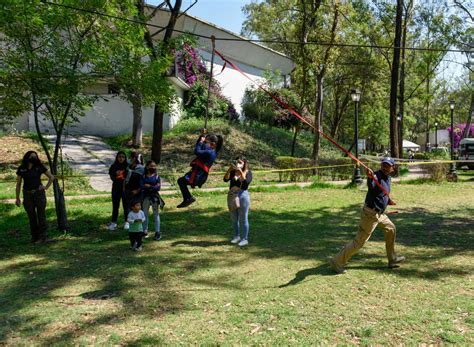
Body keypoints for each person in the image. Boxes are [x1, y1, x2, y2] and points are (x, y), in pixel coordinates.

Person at [330, 157, 406, 274]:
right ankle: (337, 261)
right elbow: (372, 184)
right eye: (383, 165)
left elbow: (381, 192)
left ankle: (392, 259)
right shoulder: (376, 176)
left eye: (388, 165)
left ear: (393, 167)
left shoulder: (388, 178)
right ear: (381, 165)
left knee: (391, 229)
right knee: (359, 242)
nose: (385, 167)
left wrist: (387, 200)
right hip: (370, 214)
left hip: (380, 214)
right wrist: (370, 177)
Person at [15, 151, 55, 244]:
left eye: (35, 156)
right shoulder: (21, 169)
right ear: (27, 157)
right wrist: (17, 198)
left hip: (39, 194)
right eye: (32, 156)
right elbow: (18, 184)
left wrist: (46, 187)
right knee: (31, 216)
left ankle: (43, 237)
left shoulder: (40, 167)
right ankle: (34, 237)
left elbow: (51, 177)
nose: (34, 158)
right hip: (27, 194)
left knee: (41, 216)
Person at [177, 133, 223, 208]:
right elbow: (201, 147)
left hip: (198, 175)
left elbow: (197, 151)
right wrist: (202, 137)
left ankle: (188, 198)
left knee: (181, 181)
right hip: (199, 174)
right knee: (181, 181)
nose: (205, 143)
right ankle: (188, 198)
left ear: (213, 144)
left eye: (206, 142)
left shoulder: (210, 152)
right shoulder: (212, 151)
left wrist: (201, 142)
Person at [224, 156, 252, 247]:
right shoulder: (232, 172)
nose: (238, 163)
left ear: (244, 163)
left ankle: (245, 239)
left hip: (243, 195)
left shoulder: (248, 172)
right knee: (234, 218)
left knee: (243, 218)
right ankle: (236, 236)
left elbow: (246, 182)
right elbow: (225, 179)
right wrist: (229, 170)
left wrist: (240, 171)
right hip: (232, 195)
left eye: (240, 162)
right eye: (237, 162)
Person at [141, 160, 162, 241]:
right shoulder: (143, 176)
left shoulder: (157, 176)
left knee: (156, 214)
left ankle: (157, 232)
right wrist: (153, 186)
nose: (153, 167)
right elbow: (142, 186)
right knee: (145, 213)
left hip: (154, 197)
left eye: (154, 166)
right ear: (147, 167)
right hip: (145, 197)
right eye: (151, 166)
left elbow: (158, 188)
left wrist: (149, 186)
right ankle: (144, 230)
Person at [124, 152, 144, 230]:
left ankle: (139, 223)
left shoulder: (141, 168)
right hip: (128, 190)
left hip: (137, 191)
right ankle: (128, 222)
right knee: (128, 206)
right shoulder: (128, 167)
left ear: (134, 158)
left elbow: (142, 181)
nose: (129, 159)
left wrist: (137, 190)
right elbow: (125, 179)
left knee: (137, 207)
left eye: (130, 158)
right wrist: (124, 189)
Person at [108, 151, 128, 231]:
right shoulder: (113, 166)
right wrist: (116, 174)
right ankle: (114, 222)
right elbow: (112, 176)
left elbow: (130, 176)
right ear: (117, 157)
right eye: (119, 157)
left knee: (126, 206)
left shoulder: (127, 166)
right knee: (115, 206)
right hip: (116, 188)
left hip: (125, 189)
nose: (121, 158)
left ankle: (127, 222)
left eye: (123, 157)